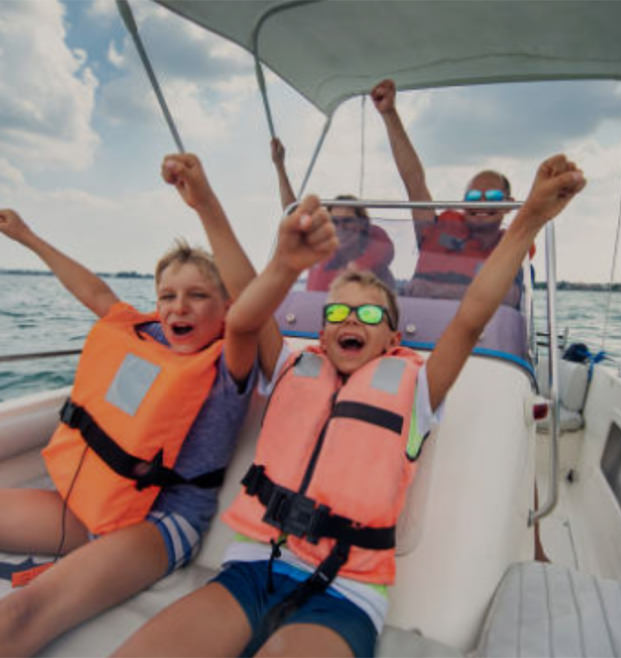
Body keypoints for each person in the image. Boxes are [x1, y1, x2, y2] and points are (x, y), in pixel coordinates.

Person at [113, 153, 585, 657]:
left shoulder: (419, 389)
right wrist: (205, 204)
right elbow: (248, 294)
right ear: (321, 331)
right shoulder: (291, 368)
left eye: (368, 313)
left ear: (391, 338)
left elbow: (470, 318)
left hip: (346, 593)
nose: (350, 321)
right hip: (252, 569)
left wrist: (529, 220)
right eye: (337, 311)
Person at [0, 155, 264, 657]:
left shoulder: (229, 364)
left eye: (198, 295)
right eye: (168, 295)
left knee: (16, 614)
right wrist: (27, 236)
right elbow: (93, 290)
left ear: (226, 308)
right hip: (93, 504)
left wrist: (205, 204)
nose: (179, 307)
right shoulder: (143, 334)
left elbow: (250, 302)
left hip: (159, 522)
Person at [371, 79, 524, 303]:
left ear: (509, 204)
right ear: (463, 204)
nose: (481, 203)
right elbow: (414, 182)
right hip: (415, 331)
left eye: (493, 196)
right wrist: (389, 113)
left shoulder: (514, 246)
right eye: (473, 197)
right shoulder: (435, 229)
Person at [271, 137, 396, 291]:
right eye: (335, 221)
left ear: (363, 225)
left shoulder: (378, 260)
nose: (341, 226)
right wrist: (279, 166)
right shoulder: (320, 246)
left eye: (348, 221)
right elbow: (292, 213)